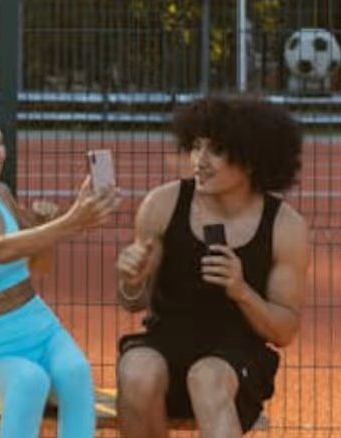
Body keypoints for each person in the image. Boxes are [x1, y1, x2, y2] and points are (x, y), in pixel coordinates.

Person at [114, 94, 311, 438]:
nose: (199, 161)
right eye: (194, 146)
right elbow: (134, 302)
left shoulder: (285, 226)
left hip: (237, 358)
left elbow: (284, 331)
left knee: (207, 377)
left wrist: (242, 291)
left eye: (215, 151)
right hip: (167, 340)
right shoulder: (162, 204)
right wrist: (131, 279)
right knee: (136, 371)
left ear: (251, 160)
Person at [0, 106, 118, 438]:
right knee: (30, 380)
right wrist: (69, 223)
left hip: (45, 332)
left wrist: (45, 227)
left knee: (75, 372)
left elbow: (39, 266)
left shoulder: (1, 195)